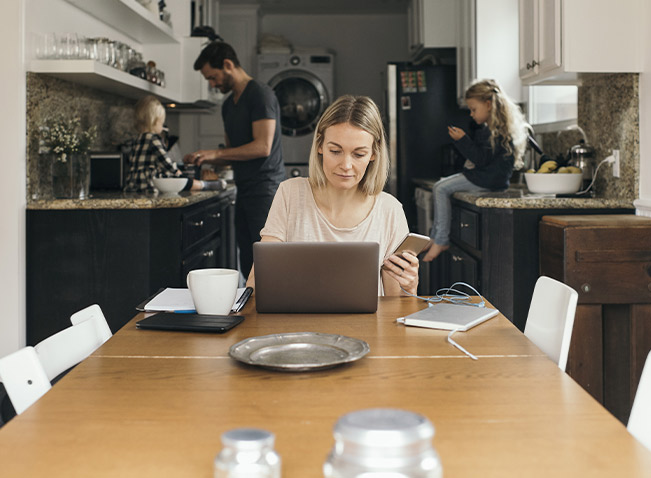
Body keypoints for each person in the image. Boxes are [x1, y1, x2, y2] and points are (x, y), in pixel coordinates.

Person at [247, 95, 418, 296]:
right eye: (335, 151)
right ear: (320, 146)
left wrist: (409, 286)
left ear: (374, 153)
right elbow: (257, 282)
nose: (346, 165)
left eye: (359, 154)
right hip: (299, 326)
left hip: (367, 328)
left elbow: (395, 305)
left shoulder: (390, 210)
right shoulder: (290, 194)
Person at [184, 41, 286, 280]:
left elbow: (262, 147)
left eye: (213, 77)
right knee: (248, 258)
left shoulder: (260, 94)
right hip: (244, 188)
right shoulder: (229, 105)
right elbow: (234, 152)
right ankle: (253, 312)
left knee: (267, 259)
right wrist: (204, 158)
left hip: (266, 190)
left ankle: (275, 313)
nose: (212, 84)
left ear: (228, 65)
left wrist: (215, 153)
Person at [422, 79, 529, 262]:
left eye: (473, 109)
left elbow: (480, 159)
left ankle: (440, 239)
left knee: (440, 188)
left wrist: (463, 140)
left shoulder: (494, 132)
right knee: (442, 186)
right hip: (491, 180)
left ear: (488, 105)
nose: (471, 114)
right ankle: (436, 237)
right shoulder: (498, 129)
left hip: (486, 179)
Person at [124, 95, 208, 193]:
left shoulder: (137, 139)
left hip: (133, 184)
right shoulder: (154, 139)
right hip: (149, 184)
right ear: (154, 122)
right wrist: (177, 172)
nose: (162, 127)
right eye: (161, 123)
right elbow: (165, 161)